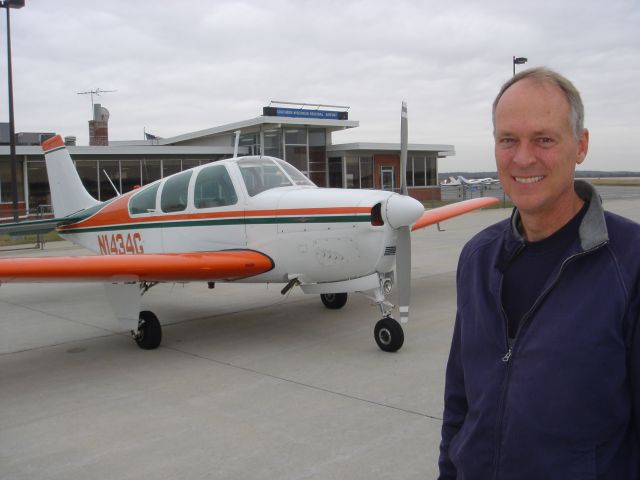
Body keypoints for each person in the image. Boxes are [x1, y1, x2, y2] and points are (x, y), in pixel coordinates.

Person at [438, 67, 640, 479]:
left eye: (544, 139)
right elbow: (459, 402)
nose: (524, 157)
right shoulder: (477, 258)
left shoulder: (632, 263)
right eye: (508, 140)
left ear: (580, 146)